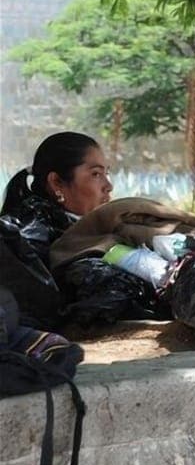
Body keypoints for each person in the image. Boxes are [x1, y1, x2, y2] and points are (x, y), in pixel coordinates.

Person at [1, 132, 114, 328]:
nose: (108, 186)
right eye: (96, 174)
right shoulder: (30, 234)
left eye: (107, 173)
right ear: (56, 183)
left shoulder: (66, 227)